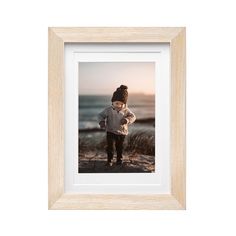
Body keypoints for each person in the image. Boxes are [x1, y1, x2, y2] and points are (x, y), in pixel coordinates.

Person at [98, 85, 136, 166]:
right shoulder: (108, 110)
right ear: (113, 102)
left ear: (124, 104)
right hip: (110, 131)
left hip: (122, 132)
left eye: (121, 104)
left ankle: (119, 159)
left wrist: (127, 120)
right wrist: (101, 122)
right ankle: (109, 160)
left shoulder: (126, 110)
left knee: (120, 147)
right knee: (110, 147)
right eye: (117, 103)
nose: (118, 105)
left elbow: (133, 116)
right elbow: (100, 115)